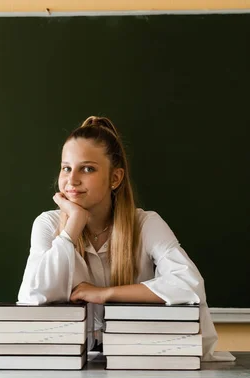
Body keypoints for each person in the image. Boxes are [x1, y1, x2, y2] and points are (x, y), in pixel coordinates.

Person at [17, 116, 234, 361]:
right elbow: (34, 298)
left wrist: (106, 293)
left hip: (139, 359)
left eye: (87, 168)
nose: (72, 179)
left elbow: (189, 285)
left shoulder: (145, 223)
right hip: (66, 362)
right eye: (66, 168)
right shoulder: (47, 224)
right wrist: (73, 226)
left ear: (115, 178)